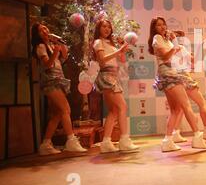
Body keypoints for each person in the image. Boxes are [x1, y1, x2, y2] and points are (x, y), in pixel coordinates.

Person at [148, 16, 206, 152]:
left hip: (172, 72)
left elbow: (184, 57)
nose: (162, 27)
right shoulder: (157, 38)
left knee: (176, 110)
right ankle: (197, 137)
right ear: (154, 28)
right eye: (159, 25)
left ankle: (167, 140)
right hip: (168, 73)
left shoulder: (166, 40)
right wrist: (175, 46)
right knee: (186, 105)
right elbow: (165, 56)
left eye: (164, 24)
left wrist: (176, 43)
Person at [31, 23, 87, 155]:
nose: (45, 31)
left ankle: (45, 144)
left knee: (57, 114)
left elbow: (63, 59)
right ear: (37, 35)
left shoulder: (50, 45)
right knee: (65, 109)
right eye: (41, 30)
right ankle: (71, 141)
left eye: (45, 28)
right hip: (50, 82)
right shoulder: (40, 46)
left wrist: (60, 46)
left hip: (58, 81)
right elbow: (48, 65)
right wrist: (55, 52)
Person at [93, 19, 140, 153]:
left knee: (114, 111)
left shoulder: (111, 44)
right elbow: (102, 60)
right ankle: (124, 140)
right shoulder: (98, 42)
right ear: (99, 29)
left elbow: (121, 60)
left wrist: (123, 50)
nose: (107, 29)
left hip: (113, 76)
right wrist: (118, 50)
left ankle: (106, 142)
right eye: (104, 27)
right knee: (122, 107)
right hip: (106, 76)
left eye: (109, 27)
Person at [169, 30, 206, 143]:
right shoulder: (179, 48)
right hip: (184, 78)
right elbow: (193, 60)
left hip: (173, 79)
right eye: (179, 37)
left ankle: (175, 133)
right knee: (202, 103)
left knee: (179, 108)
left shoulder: (167, 49)